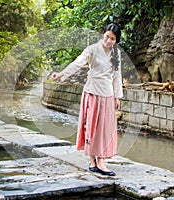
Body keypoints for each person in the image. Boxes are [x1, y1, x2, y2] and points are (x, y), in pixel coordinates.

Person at [50, 23, 123, 176]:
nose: (108, 41)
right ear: (103, 34)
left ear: (116, 41)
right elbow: (77, 63)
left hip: (107, 94)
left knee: (105, 129)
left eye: (113, 39)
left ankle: (102, 161)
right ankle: (92, 161)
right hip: (92, 92)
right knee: (91, 126)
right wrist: (62, 74)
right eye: (107, 37)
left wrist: (117, 96)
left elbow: (117, 76)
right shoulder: (92, 50)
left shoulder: (116, 54)